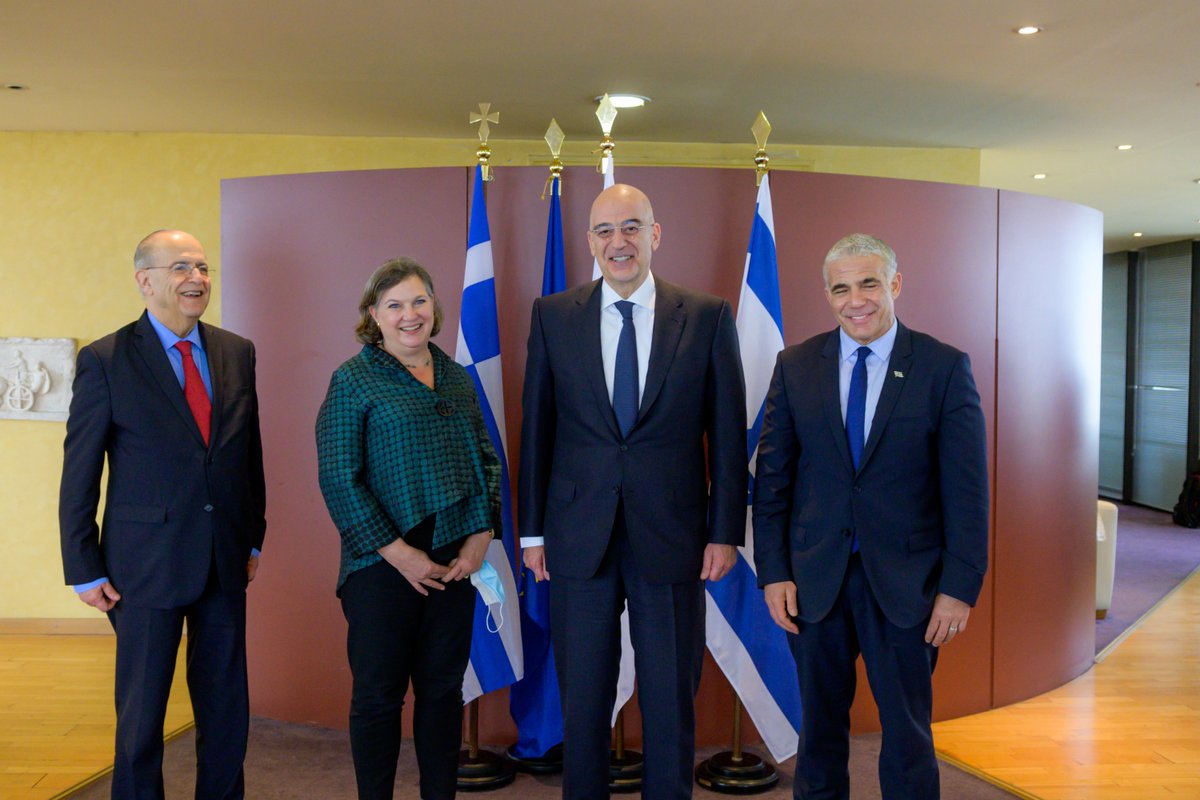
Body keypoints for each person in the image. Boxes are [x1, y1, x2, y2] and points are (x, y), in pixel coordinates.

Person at [519, 184, 747, 799]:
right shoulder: (553, 314)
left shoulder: (705, 316)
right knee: (584, 698)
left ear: (655, 233)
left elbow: (727, 435)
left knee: (671, 697)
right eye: (604, 231)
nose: (617, 242)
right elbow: (536, 431)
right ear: (589, 241)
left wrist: (725, 531)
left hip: (672, 538)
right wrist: (532, 533)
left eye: (631, 227)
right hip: (576, 538)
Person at [752, 233, 989, 799]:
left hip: (908, 583)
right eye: (841, 288)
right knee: (819, 733)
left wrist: (959, 588)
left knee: (907, 734)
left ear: (895, 285)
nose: (855, 299)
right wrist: (774, 572)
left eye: (868, 284)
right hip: (813, 580)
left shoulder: (943, 366)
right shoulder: (797, 365)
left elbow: (967, 491)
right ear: (827, 294)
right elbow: (774, 480)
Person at [58, 229, 267, 800]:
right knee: (142, 717)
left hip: (225, 559)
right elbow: (81, 472)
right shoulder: (104, 359)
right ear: (145, 281)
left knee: (226, 710)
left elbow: (248, 454)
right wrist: (83, 565)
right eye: (180, 267)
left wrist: (254, 539)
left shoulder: (236, 351)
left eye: (202, 267)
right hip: (141, 567)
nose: (197, 278)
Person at [315, 257, 501, 800]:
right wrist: (401, 555)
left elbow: (486, 460)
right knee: (378, 697)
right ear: (375, 315)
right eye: (394, 305)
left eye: (418, 301)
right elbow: (337, 478)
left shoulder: (454, 375)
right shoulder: (353, 380)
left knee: (443, 693)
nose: (409, 314)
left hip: (455, 561)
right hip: (380, 565)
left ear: (433, 307)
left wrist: (480, 538)